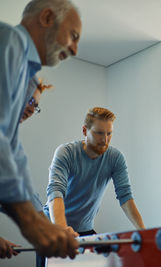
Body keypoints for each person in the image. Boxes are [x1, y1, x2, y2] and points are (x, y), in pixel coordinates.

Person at [0, 0, 82, 259]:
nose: (76, 50)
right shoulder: (10, 40)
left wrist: (44, 223)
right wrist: (31, 223)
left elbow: (13, 153)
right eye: (73, 36)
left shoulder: (23, 68)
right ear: (47, 18)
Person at [43, 107, 145, 235]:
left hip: (84, 229)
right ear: (85, 131)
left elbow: (125, 195)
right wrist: (62, 228)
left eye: (109, 133)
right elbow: (55, 190)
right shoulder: (66, 152)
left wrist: (143, 231)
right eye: (99, 133)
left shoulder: (116, 158)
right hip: (53, 227)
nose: (105, 140)